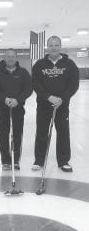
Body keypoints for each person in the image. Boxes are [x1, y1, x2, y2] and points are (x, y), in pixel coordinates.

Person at [32, 35, 79, 172]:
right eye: (51, 45)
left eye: (56, 45)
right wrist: (48, 97)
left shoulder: (69, 64)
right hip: (44, 105)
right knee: (41, 132)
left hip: (62, 106)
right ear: (47, 47)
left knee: (63, 132)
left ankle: (63, 161)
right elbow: (36, 84)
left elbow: (73, 84)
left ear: (60, 46)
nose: (53, 48)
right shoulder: (39, 64)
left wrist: (62, 99)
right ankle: (39, 160)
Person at [0, 48, 33, 170]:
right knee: (3, 135)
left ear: (16, 57)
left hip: (18, 108)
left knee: (17, 134)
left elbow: (28, 88)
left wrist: (17, 100)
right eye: (8, 56)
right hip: (2, 108)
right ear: (4, 58)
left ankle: (16, 160)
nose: (10, 58)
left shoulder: (23, 72)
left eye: (13, 56)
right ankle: (6, 161)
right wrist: (4, 98)